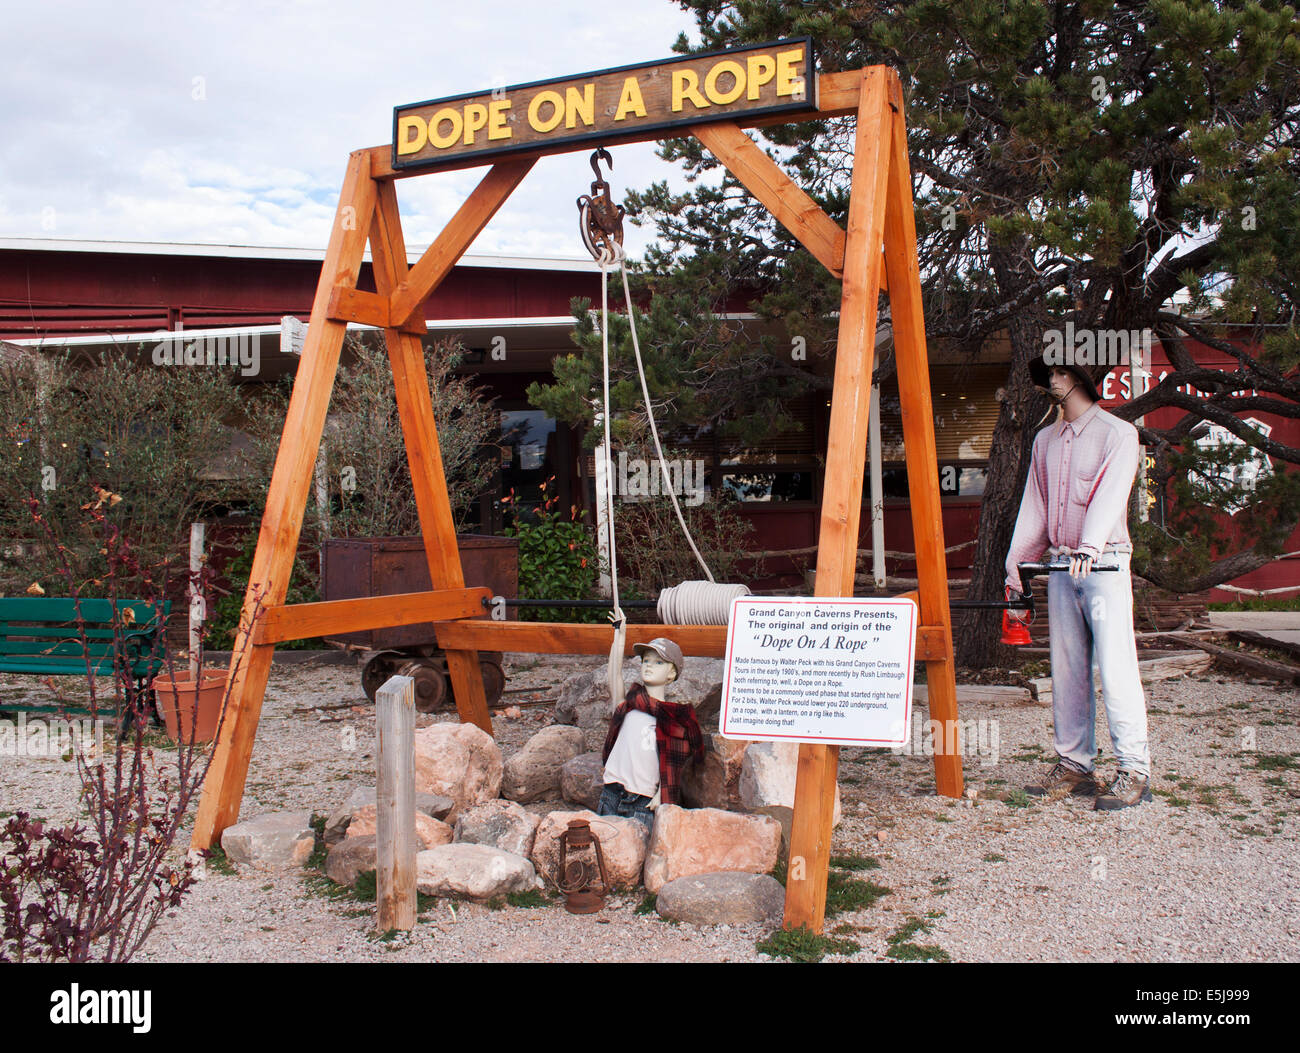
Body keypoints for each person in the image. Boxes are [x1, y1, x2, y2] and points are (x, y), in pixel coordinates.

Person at [1005, 354, 1152, 810]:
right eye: (1048, 375)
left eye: (1056, 372)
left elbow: (1112, 494)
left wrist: (1090, 546)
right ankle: (1075, 766)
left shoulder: (1118, 434)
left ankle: (1134, 769)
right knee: (1067, 668)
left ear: (1074, 378)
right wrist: (1017, 568)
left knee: (1116, 664)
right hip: (1060, 565)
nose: (1050, 382)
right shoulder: (1044, 440)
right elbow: (1036, 505)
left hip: (1104, 562)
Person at [598, 637, 704, 831]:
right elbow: (614, 676)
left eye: (658, 662)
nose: (649, 666)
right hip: (611, 792)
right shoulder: (628, 706)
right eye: (646, 660)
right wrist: (619, 637)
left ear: (671, 673)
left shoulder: (674, 720)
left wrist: (660, 795)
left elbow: (674, 763)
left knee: (635, 856)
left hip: (642, 801)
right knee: (604, 849)